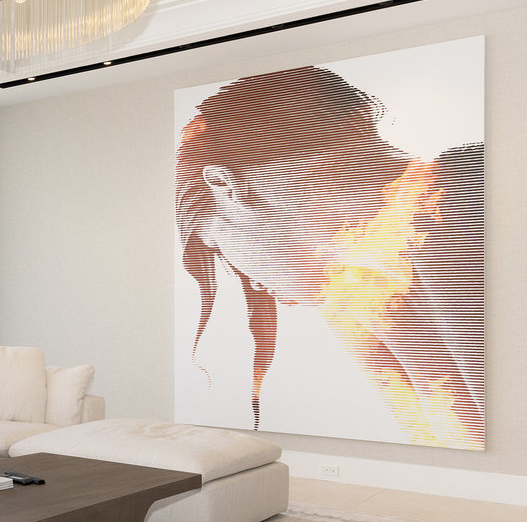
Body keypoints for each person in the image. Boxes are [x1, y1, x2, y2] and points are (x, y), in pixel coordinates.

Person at [176, 65, 484, 449]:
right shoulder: (378, 286)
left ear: (225, 184)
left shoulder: (466, 203)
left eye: (218, 247)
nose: (253, 281)